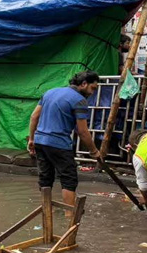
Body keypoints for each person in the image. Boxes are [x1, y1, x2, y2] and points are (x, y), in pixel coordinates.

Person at [27, 71, 101, 209]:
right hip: (59, 144)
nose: (92, 92)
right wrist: (94, 151)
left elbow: (34, 117)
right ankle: (69, 215)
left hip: (40, 141)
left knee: (45, 178)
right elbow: (82, 131)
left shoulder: (49, 92)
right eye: (93, 88)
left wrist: (31, 139)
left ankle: (46, 210)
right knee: (69, 179)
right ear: (84, 84)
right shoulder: (80, 101)